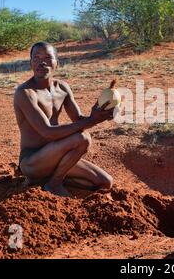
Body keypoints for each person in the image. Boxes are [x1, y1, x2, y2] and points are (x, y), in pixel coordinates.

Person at [13, 42, 114, 197]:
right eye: (36, 58)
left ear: (57, 63)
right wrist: (91, 121)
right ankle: (54, 183)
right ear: (31, 63)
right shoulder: (25, 93)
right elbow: (47, 132)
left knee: (105, 182)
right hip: (32, 162)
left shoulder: (62, 88)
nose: (42, 62)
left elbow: (78, 120)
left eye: (47, 57)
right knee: (83, 138)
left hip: (57, 155)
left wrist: (100, 114)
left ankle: (48, 179)